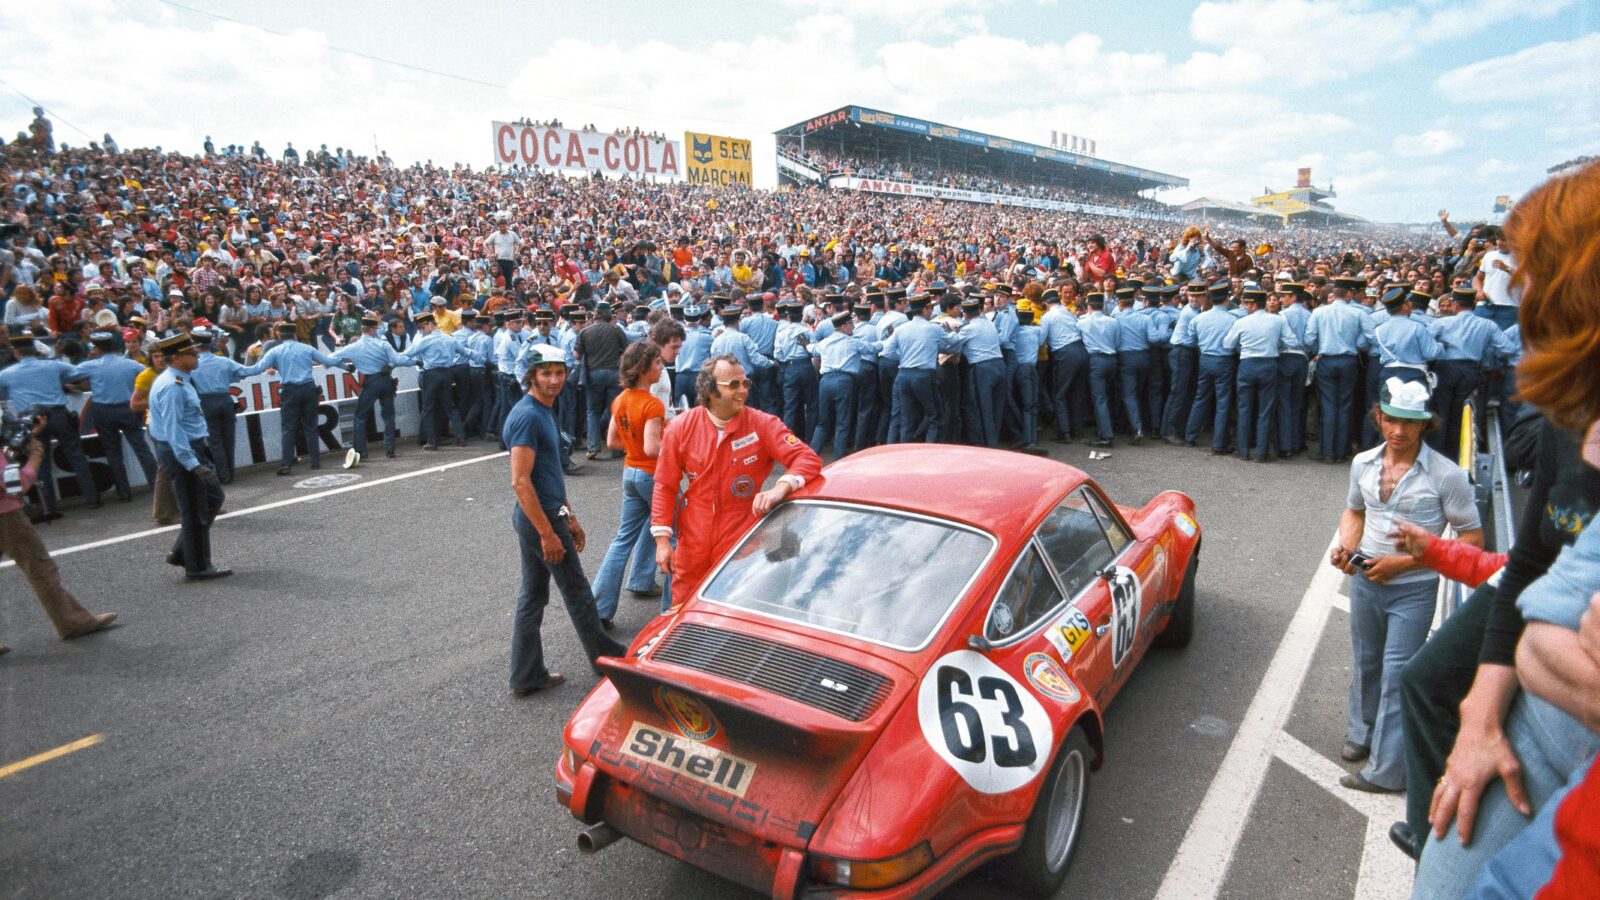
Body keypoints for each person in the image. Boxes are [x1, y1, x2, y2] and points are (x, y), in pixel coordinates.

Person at [1330, 377, 1482, 795]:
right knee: (1366, 661)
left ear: (1425, 424)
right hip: (1367, 580)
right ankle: (1361, 734)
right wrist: (1347, 547)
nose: (1399, 430)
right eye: (1392, 419)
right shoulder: (1363, 463)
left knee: (1399, 674)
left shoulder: (1446, 475)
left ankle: (1386, 771)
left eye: (1410, 422)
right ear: (1379, 417)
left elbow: (1472, 538)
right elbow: (1354, 510)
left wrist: (1405, 562)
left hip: (1414, 588)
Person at [503, 343, 627, 697]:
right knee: (577, 592)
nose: (555, 380)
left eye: (559, 373)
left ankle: (526, 674)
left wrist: (569, 515)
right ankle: (606, 658)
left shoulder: (543, 409)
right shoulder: (528, 416)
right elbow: (520, 481)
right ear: (532, 376)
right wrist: (548, 533)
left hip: (544, 514)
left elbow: (549, 474)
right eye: (546, 373)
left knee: (533, 595)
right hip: (539, 519)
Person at [651, 355, 823, 608]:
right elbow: (664, 485)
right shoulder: (680, 427)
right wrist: (662, 542)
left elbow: (807, 458)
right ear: (710, 390)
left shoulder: (762, 423)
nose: (742, 390)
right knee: (684, 605)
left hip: (741, 536)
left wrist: (781, 487)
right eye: (733, 384)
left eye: (745, 383)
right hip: (693, 534)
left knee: (734, 604)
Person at [0, 414, 117, 656]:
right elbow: (17, 485)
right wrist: (35, 455)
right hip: (6, 516)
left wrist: (20, 443)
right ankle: (72, 622)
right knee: (40, 568)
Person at [592, 341, 669, 626]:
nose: (660, 368)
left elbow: (612, 441)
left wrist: (634, 444)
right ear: (644, 368)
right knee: (675, 536)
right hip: (652, 475)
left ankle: (599, 608)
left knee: (623, 539)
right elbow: (652, 449)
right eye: (657, 363)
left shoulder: (621, 399)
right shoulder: (652, 404)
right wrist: (677, 448)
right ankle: (672, 610)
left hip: (630, 474)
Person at [147, 333, 231, 579]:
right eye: (191, 354)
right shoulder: (172, 386)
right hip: (183, 450)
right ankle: (198, 566)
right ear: (176, 358)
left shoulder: (179, 380)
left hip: (190, 446)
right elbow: (174, 430)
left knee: (212, 498)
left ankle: (182, 551)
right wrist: (192, 464)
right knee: (195, 510)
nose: (196, 357)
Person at [0, 330, 99, 515]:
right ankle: (92, 498)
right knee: (77, 456)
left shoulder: (7, 374)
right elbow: (77, 373)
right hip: (58, 413)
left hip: (31, 419)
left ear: (16, 352)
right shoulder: (54, 366)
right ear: (34, 349)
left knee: (39, 460)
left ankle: (49, 507)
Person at [244, 322, 352, 475]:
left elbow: (257, 368)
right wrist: (347, 367)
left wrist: (237, 372)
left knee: (288, 428)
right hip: (308, 389)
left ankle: (286, 464)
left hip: (289, 391)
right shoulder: (306, 348)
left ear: (280, 336)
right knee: (311, 427)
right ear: (295, 335)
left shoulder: (275, 351)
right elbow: (329, 361)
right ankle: (315, 462)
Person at [74, 330, 157, 501]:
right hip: (128, 409)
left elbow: (70, 376)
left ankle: (124, 492)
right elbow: (149, 377)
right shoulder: (132, 365)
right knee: (141, 447)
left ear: (97, 348)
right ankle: (157, 487)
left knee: (113, 453)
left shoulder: (89, 366)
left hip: (103, 410)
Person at [333, 314, 412, 465]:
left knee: (360, 416)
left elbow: (331, 358)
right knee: (388, 416)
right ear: (371, 329)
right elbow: (398, 360)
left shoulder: (354, 346)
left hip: (370, 381)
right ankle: (390, 450)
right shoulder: (383, 344)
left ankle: (360, 451)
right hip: (385, 379)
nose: (376, 331)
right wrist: (414, 361)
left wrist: (345, 367)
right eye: (375, 328)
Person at [188, 328, 252, 484]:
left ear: (196, 346)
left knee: (215, 441)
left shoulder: (193, 365)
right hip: (225, 399)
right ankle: (230, 472)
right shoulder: (224, 361)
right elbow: (246, 372)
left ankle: (224, 475)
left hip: (206, 402)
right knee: (229, 439)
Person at [399, 311, 463, 451]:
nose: (423, 330)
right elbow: (465, 352)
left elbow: (408, 354)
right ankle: (460, 437)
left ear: (430, 325)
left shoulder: (425, 340)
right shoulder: (450, 338)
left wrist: (392, 359)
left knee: (428, 408)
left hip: (431, 374)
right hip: (447, 373)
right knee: (450, 406)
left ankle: (432, 441)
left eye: (423, 327)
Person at [575, 300, 628, 460]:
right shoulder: (616, 330)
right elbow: (627, 350)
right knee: (615, 409)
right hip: (614, 372)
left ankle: (593, 447)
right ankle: (616, 447)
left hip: (593, 374)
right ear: (609, 314)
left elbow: (577, 355)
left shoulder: (585, 332)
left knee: (592, 411)